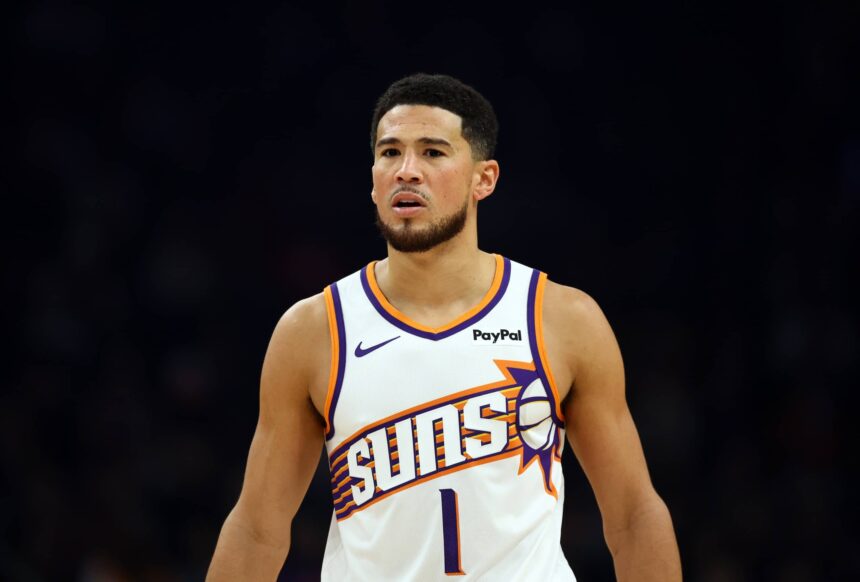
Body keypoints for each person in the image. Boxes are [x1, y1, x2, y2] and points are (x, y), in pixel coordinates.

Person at [207, 73, 682, 581]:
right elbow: (258, 528)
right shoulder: (313, 330)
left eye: (433, 153)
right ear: (372, 178)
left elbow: (633, 515)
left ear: (485, 178)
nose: (407, 171)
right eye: (390, 153)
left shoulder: (561, 318)